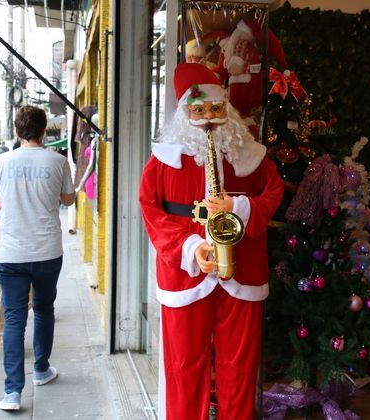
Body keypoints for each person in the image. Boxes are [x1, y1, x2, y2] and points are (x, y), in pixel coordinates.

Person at [138, 62, 284, 419]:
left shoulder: (251, 155)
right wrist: (190, 247)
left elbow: (274, 192)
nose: (208, 119)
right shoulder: (162, 161)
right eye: (199, 110)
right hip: (186, 274)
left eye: (216, 109)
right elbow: (151, 211)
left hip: (242, 270)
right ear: (184, 112)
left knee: (240, 366)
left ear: (227, 109)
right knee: (184, 366)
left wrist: (239, 206)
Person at [0, 105, 75, 411]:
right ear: (44, 130)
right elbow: (68, 198)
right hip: (47, 251)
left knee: (15, 318)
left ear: (17, 131)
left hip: (11, 253)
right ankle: (41, 369)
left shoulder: (1, 162)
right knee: (45, 309)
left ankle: (12, 393)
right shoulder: (58, 161)